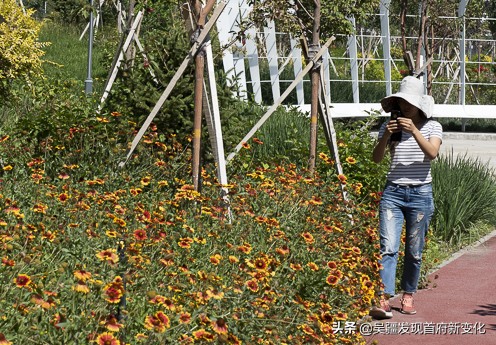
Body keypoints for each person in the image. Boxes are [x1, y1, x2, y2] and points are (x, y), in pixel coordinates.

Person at [369, 76, 443, 319]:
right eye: (401, 104)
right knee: (388, 247)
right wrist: (385, 138)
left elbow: (432, 153)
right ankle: (383, 298)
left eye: (409, 105)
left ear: (420, 106)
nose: (404, 109)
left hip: (420, 194)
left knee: (414, 249)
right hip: (393, 193)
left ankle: (408, 294)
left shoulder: (433, 127)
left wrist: (414, 131)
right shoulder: (390, 127)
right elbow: (376, 159)